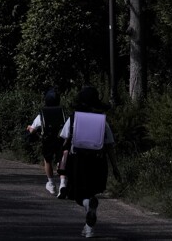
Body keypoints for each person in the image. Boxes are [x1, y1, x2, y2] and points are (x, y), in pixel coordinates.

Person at [59, 86, 122, 238]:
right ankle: (89, 228)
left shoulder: (73, 118)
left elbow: (65, 141)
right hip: (97, 162)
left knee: (78, 195)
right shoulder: (102, 121)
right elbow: (109, 147)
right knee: (91, 191)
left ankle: (88, 208)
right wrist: (115, 168)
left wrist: (61, 162)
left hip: (77, 161)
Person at [26, 88, 68, 196]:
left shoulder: (42, 114)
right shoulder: (62, 112)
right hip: (61, 140)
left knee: (48, 160)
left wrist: (29, 128)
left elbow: (34, 129)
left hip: (47, 140)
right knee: (61, 161)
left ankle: (51, 184)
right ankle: (63, 183)